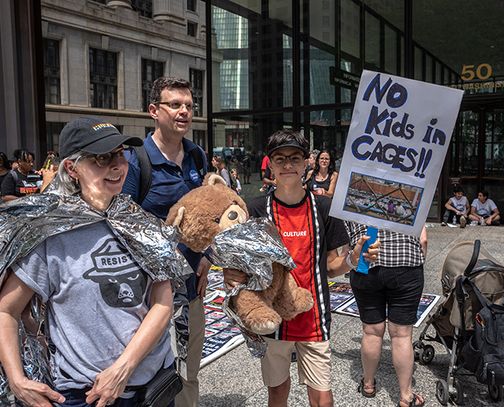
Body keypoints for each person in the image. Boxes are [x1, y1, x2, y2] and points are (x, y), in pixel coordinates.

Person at [0, 117, 180, 407]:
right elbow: (6, 310)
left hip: (151, 388)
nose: (117, 166)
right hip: (87, 396)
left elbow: (162, 302)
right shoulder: (51, 235)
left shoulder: (140, 224)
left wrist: (123, 369)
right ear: (72, 168)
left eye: (119, 155)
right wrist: (16, 380)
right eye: (101, 158)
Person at [224, 129, 380, 407]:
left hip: (314, 319)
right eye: (280, 159)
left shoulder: (323, 207)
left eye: (294, 158)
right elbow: (239, 264)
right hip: (274, 320)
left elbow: (332, 267)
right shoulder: (256, 209)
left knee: (322, 399)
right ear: (270, 164)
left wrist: (353, 260)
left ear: (306, 162)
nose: (287, 165)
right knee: (277, 392)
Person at [122, 77, 209, 407]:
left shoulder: (196, 156)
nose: (184, 111)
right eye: (175, 105)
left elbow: (208, 214)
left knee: (188, 372)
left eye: (188, 105)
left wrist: (206, 256)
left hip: (191, 291)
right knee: (148, 372)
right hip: (148, 294)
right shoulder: (134, 162)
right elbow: (122, 225)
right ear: (153, 111)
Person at [346, 222, 428, 407]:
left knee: (371, 330)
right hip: (406, 265)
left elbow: (347, 243)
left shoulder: (354, 195)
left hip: (366, 265)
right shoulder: (410, 195)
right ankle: (406, 396)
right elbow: (423, 240)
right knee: (401, 334)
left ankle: (368, 384)